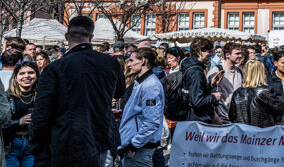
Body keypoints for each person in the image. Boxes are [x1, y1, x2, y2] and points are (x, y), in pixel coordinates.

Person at [30, 16, 126, 167]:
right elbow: (119, 92)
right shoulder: (110, 62)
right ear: (91, 37)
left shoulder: (55, 68)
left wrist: (36, 143)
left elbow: (42, 112)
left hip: (67, 143)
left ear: (67, 36)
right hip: (101, 139)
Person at [119, 48, 164, 167]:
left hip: (139, 147)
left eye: (132, 60)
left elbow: (152, 122)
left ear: (143, 61)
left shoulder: (150, 85)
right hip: (132, 143)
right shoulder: (140, 81)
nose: (128, 64)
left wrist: (134, 144)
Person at [229, 59, 284, 127]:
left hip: (243, 133)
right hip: (262, 133)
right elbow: (282, 109)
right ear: (261, 72)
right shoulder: (265, 91)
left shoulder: (237, 93)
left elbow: (232, 116)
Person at [4, 60, 39, 167]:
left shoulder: (42, 97)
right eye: (22, 73)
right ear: (15, 77)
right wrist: (18, 122)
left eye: (31, 72)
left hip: (32, 145)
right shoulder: (7, 97)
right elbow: (2, 123)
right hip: (11, 145)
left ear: (37, 75)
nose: (27, 76)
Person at [181, 38, 223, 123]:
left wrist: (211, 85)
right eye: (209, 51)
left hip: (193, 118)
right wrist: (214, 97)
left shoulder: (190, 66)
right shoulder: (196, 71)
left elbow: (195, 92)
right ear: (200, 52)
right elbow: (197, 101)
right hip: (197, 120)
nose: (210, 54)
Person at [207, 42, 245, 124]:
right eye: (237, 54)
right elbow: (207, 93)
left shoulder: (240, 72)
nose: (240, 56)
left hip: (236, 119)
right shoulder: (216, 70)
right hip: (220, 119)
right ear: (227, 55)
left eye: (241, 53)